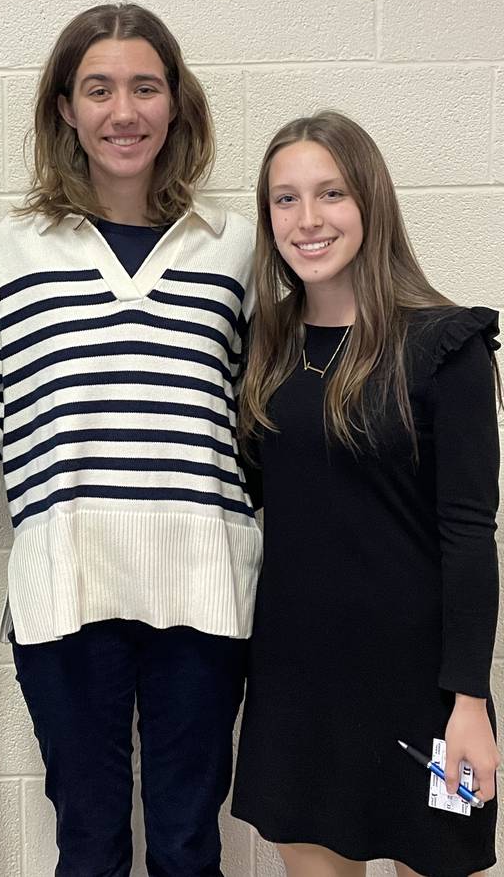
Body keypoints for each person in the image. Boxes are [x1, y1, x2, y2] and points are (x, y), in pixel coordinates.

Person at [0, 2, 260, 876]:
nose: (123, 111)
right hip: (67, 585)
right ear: (66, 108)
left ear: (176, 105)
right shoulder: (13, 247)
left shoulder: (232, 246)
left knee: (187, 843)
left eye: (144, 87)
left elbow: (254, 420)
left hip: (204, 586)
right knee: (87, 845)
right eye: (99, 89)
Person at [231, 110, 500, 877]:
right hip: (296, 688)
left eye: (331, 194)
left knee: (448, 859)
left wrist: (470, 706)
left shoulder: (446, 344)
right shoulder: (264, 348)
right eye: (285, 199)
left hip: (428, 695)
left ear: (371, 203)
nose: (307, 219)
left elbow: (469, 536)